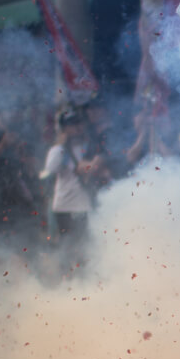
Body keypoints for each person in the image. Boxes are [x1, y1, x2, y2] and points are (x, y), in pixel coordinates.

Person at [39, 106, 108, 269]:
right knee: (67, 248)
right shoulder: (59, 149)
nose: (76, 127)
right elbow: (50, 168)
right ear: (64, 128)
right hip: (65, 206)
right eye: (71, 124)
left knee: (84, 248)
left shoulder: (88, 145)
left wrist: (94, 164)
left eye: (78, 123)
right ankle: (67, 283)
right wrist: (60, 146)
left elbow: (100, 164)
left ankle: (82, 283)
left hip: (84, 204)